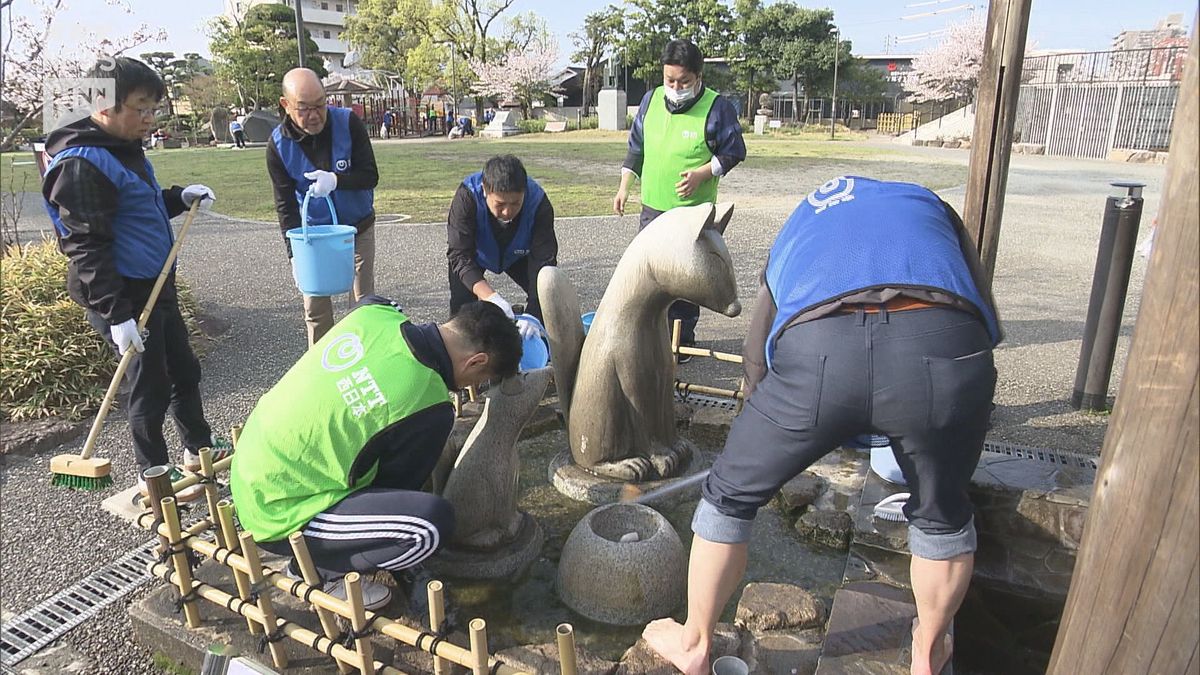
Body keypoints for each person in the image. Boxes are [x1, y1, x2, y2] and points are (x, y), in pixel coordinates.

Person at [642, 176, 1002, 675]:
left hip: (820, 353)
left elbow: (758, 348)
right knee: (943, 514)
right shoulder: (930, 206)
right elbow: (979, 301)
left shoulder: (803, 218)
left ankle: (696, 644)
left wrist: (763, 424)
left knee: (729, 495)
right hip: (942, 345)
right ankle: (928, 652)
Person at [230, 298, 522, 609]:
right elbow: (393, 490)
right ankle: (319, 569)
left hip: (251, 464)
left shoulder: (375, 312)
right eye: (480, 379)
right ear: (476, 361)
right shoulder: (431, 405)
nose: (471, 387)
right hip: (277, 512)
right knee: (430, 526)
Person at [41, 56, 228, 499]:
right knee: (150, 385)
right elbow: (86, 245)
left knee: (184, 369)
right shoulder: (81, 164)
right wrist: (116, 314)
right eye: (141, 108)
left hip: (155, 286)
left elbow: (138, 207)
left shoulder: (121, 147)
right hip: (121, 294)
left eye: (154, 108)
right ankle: (155, 475)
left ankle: (197, 451)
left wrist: (178, 197)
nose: (149, 119)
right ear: (104, 106)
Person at [612, 39, 746, 361]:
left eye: (682, 82)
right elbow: (636, 147)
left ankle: (681, 341)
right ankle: (650, 336)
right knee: (649, 276)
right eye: (669, 80)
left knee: (686, 280)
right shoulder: (650, 100)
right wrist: (624, 185)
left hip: (692, 216)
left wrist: (703, 173)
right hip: (653, 209)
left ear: (698, 77)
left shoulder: (717, 108)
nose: (674, 87)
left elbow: (734, 152)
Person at [267, 68, 380, 347]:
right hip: (313, 238)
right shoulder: (278, 145)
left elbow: (370, 175)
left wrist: (336, 180)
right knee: (315, 309)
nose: (315, 115)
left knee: (362, 304)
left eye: (320, 104)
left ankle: (361, 360)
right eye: (304, 109)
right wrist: (293, 255)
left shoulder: (348, 123)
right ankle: (321, 369)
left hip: (357, 228)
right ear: (286, 105)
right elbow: (285, 207)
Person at [447, 155, 557, 338]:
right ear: (485, 190)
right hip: (475, 255)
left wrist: (533, 314)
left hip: (519, 254)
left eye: (515, 203)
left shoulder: (538, 202)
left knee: (548, 296)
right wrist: (491, 297)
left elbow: (544, 262)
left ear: (525, 192)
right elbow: (459, 256)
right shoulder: (467, 196)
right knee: (462, 315)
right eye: (500, 204)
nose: (507, 211)